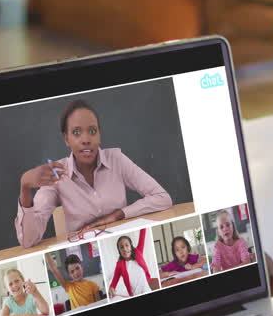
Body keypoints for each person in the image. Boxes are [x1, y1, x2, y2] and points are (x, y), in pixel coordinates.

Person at [14, 100, 172, 248]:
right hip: (86, 248)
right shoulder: (57, 174)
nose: (86, 139)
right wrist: (25, 185)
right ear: (66, 139)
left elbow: (162, 198)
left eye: (92, 131)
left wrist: (119, 214)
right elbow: (28, 240)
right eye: (76, 132)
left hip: (121, 240)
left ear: (99, 135)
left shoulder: (116, 159)